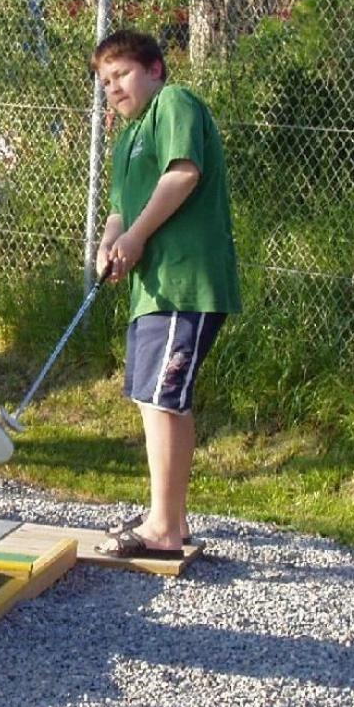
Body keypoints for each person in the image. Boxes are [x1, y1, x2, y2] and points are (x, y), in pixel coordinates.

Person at [90, 29, 241, 560]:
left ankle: (163, 529)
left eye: (122, 73)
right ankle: (168, 518)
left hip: (184, 281)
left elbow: (183, 174)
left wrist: (136, 237)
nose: (113, 87)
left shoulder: (174, 104)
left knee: (162, 399)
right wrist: (111, 242)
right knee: (151, 398)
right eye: (105, 81)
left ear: (155, 69)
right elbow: (117, 210)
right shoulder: (128, 139)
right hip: (150, 289)